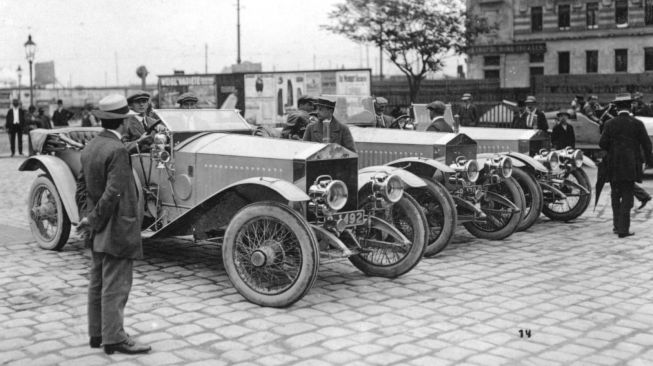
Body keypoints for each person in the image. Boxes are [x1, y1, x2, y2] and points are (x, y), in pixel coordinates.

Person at [75, 94, 151, 355]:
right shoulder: (117, 150)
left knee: (98, 283)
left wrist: (88, 218)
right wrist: (94, 219)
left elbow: (82, 187)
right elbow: (114, 193)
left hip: (97, 228)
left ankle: (98, 334)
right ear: (123, 122)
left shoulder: (91, 146)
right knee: (116, 286)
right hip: (117, 226)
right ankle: (115, 338)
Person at [599, 94, 653, 238]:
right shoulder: (637, 123)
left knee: (615, 196)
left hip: (614, 166)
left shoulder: (609, 124)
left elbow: (602, 144)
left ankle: (617, 226)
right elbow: (647, 145)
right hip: (630, 166)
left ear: (616, 108)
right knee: (627, 197)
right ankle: (623, 229)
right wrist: (648, 161)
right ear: (630, 107)